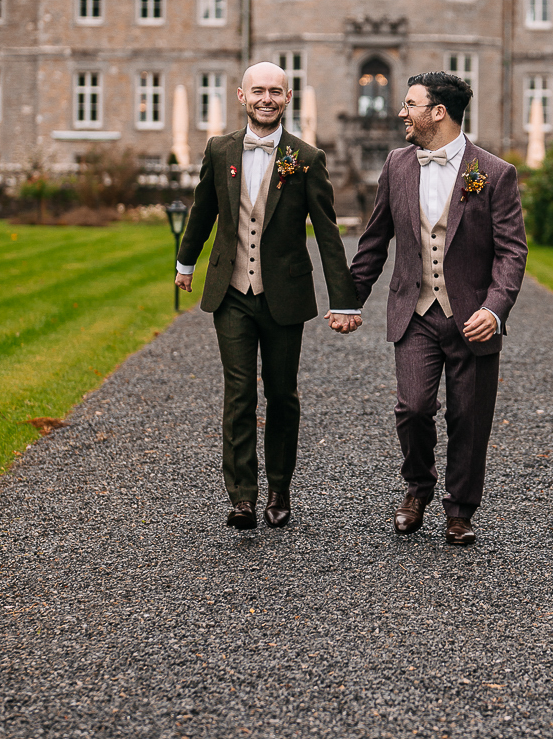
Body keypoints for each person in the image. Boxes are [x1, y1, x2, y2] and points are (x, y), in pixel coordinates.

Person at [175, 62, 361, 529]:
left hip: (284, 294)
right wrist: (185, 262)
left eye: (275, 92)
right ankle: (242, 497)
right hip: (231, 291)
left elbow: (327, 231)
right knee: (238, 393)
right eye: (258, 91)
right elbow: (204, 209)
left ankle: (280, 488)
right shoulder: (220, 150)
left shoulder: (307, 158)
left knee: (281, 394)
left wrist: (344, 299)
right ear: (242, 96)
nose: (266, 99)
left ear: (288, 98)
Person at [348, 71, 526, 546]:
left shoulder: (494, 172)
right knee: (413, 407)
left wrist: (495, 308)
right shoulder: (397, 165)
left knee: (469, 416)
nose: (401, 112)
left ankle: (461, 509)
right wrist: (350, 299)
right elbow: (374, 240)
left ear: (438, 112)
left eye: (410, 105)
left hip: (473, 318)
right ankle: (417, 488)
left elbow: (512, 252)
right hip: (415, 311)